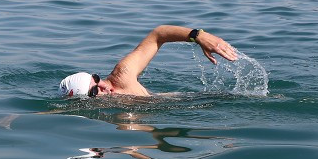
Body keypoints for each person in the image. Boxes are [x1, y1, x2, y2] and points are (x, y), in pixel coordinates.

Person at [59, 26, 239, 98]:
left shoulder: (123, 75)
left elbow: (158, 35)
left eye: (97, 79)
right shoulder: (118, 120)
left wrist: (199, 36)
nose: (104, 86)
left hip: (193, 101)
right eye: (94, 91)